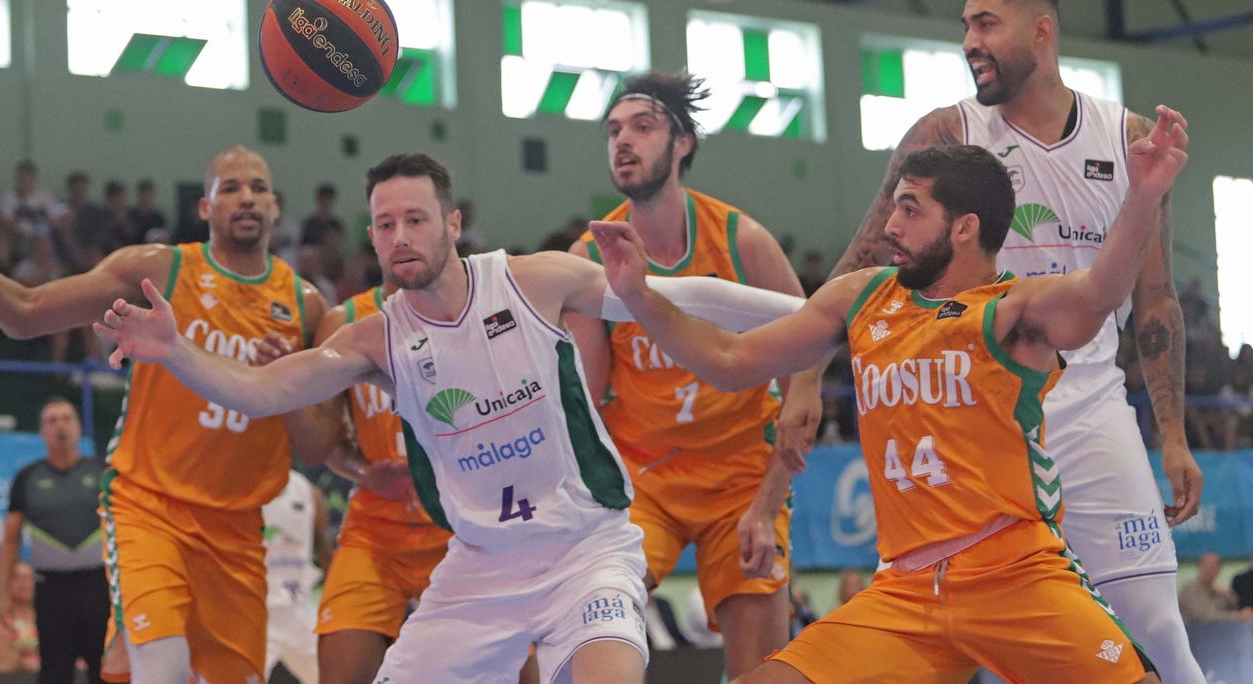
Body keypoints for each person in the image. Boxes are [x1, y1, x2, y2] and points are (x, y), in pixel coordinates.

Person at [95, 152, 806, 684]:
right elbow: (260, 391)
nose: (400, 235)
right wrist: (174, 351)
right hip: (478, 570)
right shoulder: (376, 336)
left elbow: (693, 295)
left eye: (415, 219)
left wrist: (818, 316)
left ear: (453, 223)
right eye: (385, 225)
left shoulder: (532, 281)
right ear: (372, 239)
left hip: (585, 551)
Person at [596, 119, 1191, 683]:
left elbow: (1100, 291)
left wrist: (1143, 195)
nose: (890, 227)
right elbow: (730, 360)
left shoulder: (1013, 311)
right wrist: (640, 297)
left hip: (1015, 573)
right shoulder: (861, 296)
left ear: (964, 227)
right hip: (906, 589)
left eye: (911, 210)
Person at [780, 0, 1205, 684]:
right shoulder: (947, 133)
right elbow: (863, 261)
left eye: (986, 24)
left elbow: (1156, 299)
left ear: (1041, 31)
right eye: (966, 26)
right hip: (974, 416)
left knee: (1158, 626)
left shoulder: (1126, 136)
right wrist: (803, 380)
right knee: (960, 638)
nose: (970, 42)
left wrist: (1173, 432)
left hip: (1090, 409)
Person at [0, 146, 338, 684]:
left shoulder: (304, 305)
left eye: (259, 188)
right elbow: (24, 313)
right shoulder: (158, 270)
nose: (247, 198)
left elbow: (316, 447)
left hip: (237, 528)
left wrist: (286, 382)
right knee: (162, 669)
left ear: (276, 206)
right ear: (204, 207)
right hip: (150, 506)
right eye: (230, 187)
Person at [571, 74, 805, 678]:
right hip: (643, 478)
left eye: (642, 127)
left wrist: (768, 503)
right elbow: (585, 401)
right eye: (613, 131)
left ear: (682, 143)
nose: (622, 141)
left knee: (761, 672)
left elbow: (808, 366)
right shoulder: (590, 258)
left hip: (740, 477)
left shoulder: (741, 241)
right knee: (581, 632)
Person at [309, 280, 453, 684]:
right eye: (388, 239)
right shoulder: (344, 321)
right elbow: (328, 440)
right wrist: (365, 473)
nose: (401, 246)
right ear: (375, 244)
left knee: (522, 670)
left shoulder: (474, 309)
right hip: (375, 532)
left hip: (460, 531)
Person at [0, 397, 106, 684]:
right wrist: (3, 591)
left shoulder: (103, 472)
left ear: (79, 427)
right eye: (52, 420)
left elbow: (128, 527)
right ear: (42, 431)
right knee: (55, 671)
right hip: (52, 589)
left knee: (106, 669)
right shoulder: (27, 477)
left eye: (67, 418)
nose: (60, 426)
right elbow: (10, 538)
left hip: (99, 585)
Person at [261, 469, 329, 684]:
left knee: (336, 675)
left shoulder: (307, 491)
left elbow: (322, 548)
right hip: (256, 612)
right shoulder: (238, 487)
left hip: (299, 609)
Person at [0, 561, 40, 672]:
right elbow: (3, 661)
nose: (24, 583)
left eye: (29, 578)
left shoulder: (46, 617)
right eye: (16, 577)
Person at [1178, 552, 1253, 623]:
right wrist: (1237, 616)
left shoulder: (1217, 591)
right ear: (1199, 567)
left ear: (1219, 570)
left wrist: (1228, 594)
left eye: (1213, 567)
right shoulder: (1189, 589)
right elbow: (1204, 617)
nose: (1209, 569)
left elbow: (1235, 605)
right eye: (1205, 565)